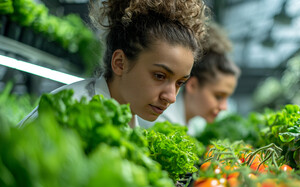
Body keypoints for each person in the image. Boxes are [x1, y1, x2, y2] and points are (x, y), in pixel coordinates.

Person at [18, 0, 209, 128]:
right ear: (119, 63)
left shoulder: (127, 113)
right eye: (159, 76)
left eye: (179, 83)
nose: (171, 97)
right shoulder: (73, 116)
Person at [138, 22, 240, 134]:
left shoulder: (195, 124)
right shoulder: (161, 121)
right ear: (193, 85)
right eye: (218, 96)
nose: (224, 107)